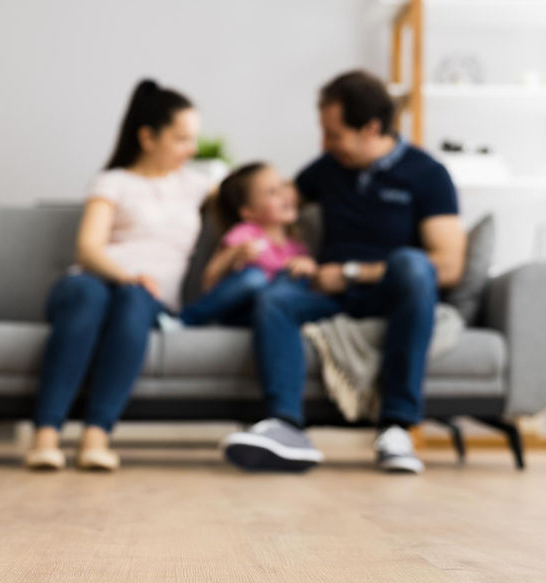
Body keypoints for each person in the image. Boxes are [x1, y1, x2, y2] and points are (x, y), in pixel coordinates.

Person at [222, 70, 466, 474]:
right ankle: (285, 427)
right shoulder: (328, 168)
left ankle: (396, 427)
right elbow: (274, 203)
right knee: (275, 299)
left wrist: (351, 273)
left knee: (414, 264)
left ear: (370, 129)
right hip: (327, 289)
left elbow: (449, 266)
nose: (324, 145)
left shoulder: (428, 175)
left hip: (390, 291)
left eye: (333, 134)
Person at [25, 79, 214, 471]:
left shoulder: (197, 185)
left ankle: (97, 436)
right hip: (91, 282)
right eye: (181, 139)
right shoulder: (112, 182)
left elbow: (254, 195)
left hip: (144, 296)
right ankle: (46, 435)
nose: (191, 149)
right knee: (90, 297)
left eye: (193, 139)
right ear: (147, 137)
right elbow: (89, 248)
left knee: (134, 302)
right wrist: (129, 276)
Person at [158, 162, 316, 330]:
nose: (283, 195)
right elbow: (209, 280)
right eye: (272, 192)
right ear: (248, 211)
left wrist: (309, 267)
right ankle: (185, 320)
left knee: (293, 281)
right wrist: (232, 255)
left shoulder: (298, 247)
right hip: (240, 312)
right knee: (254, 278)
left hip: (270, 313)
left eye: (283, 186)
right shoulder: (245, 234)